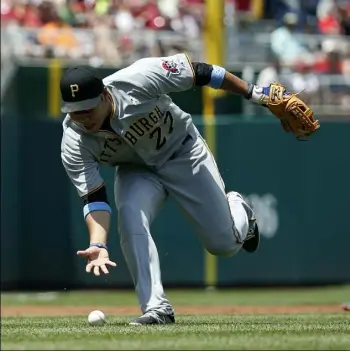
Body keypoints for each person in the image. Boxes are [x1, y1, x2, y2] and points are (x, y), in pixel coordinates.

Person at [60, 53, 271, 325]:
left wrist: (253, 93)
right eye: (74, 111)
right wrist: (97, 243)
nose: (82, 117)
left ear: (103, 96)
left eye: (87, 109)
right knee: (131, 217)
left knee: (224, 245)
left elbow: (202, 72)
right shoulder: (74, 141)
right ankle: (157, 308)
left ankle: (239, 209)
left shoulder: (137, 79)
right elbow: (95, 199)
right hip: (136, 170)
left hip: (183, 152)